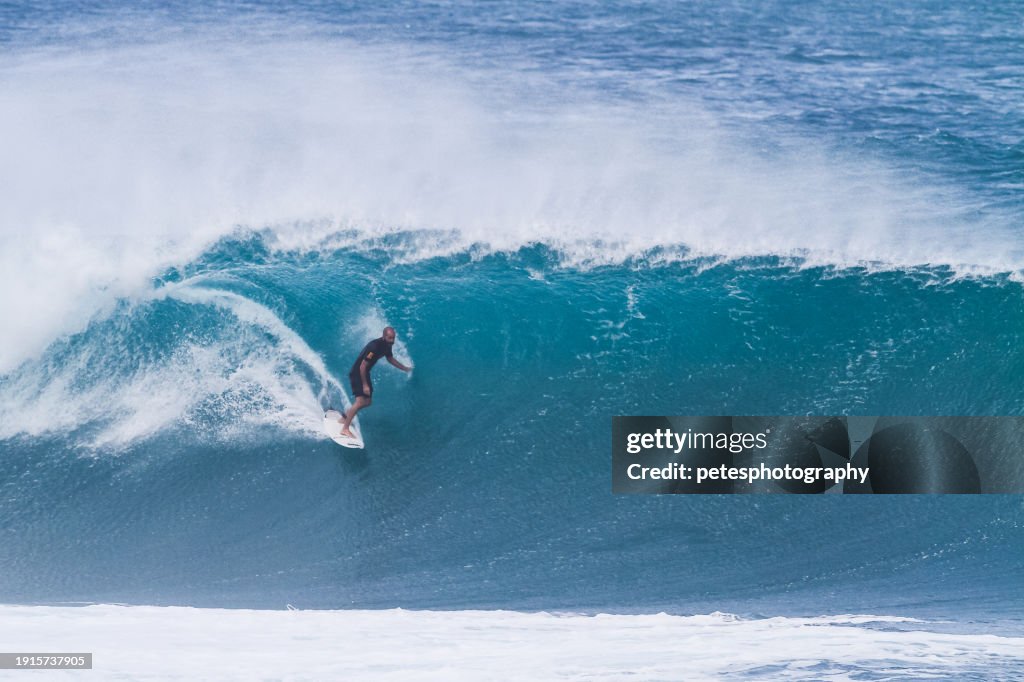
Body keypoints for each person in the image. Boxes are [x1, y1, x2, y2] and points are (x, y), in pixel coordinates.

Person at [339, 326, 411, 437]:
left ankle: (344, 418)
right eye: (390, 338)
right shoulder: (374, 347)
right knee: (360, 402)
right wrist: (365, 385)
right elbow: (362, 366)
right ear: (384, 336)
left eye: (393, 338)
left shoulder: (387, 345)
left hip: (364, 373)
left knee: (368, 402)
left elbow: (390, 359)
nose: (392, 340)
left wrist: (405, 368)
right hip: (358, 373)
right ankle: (345, 429)